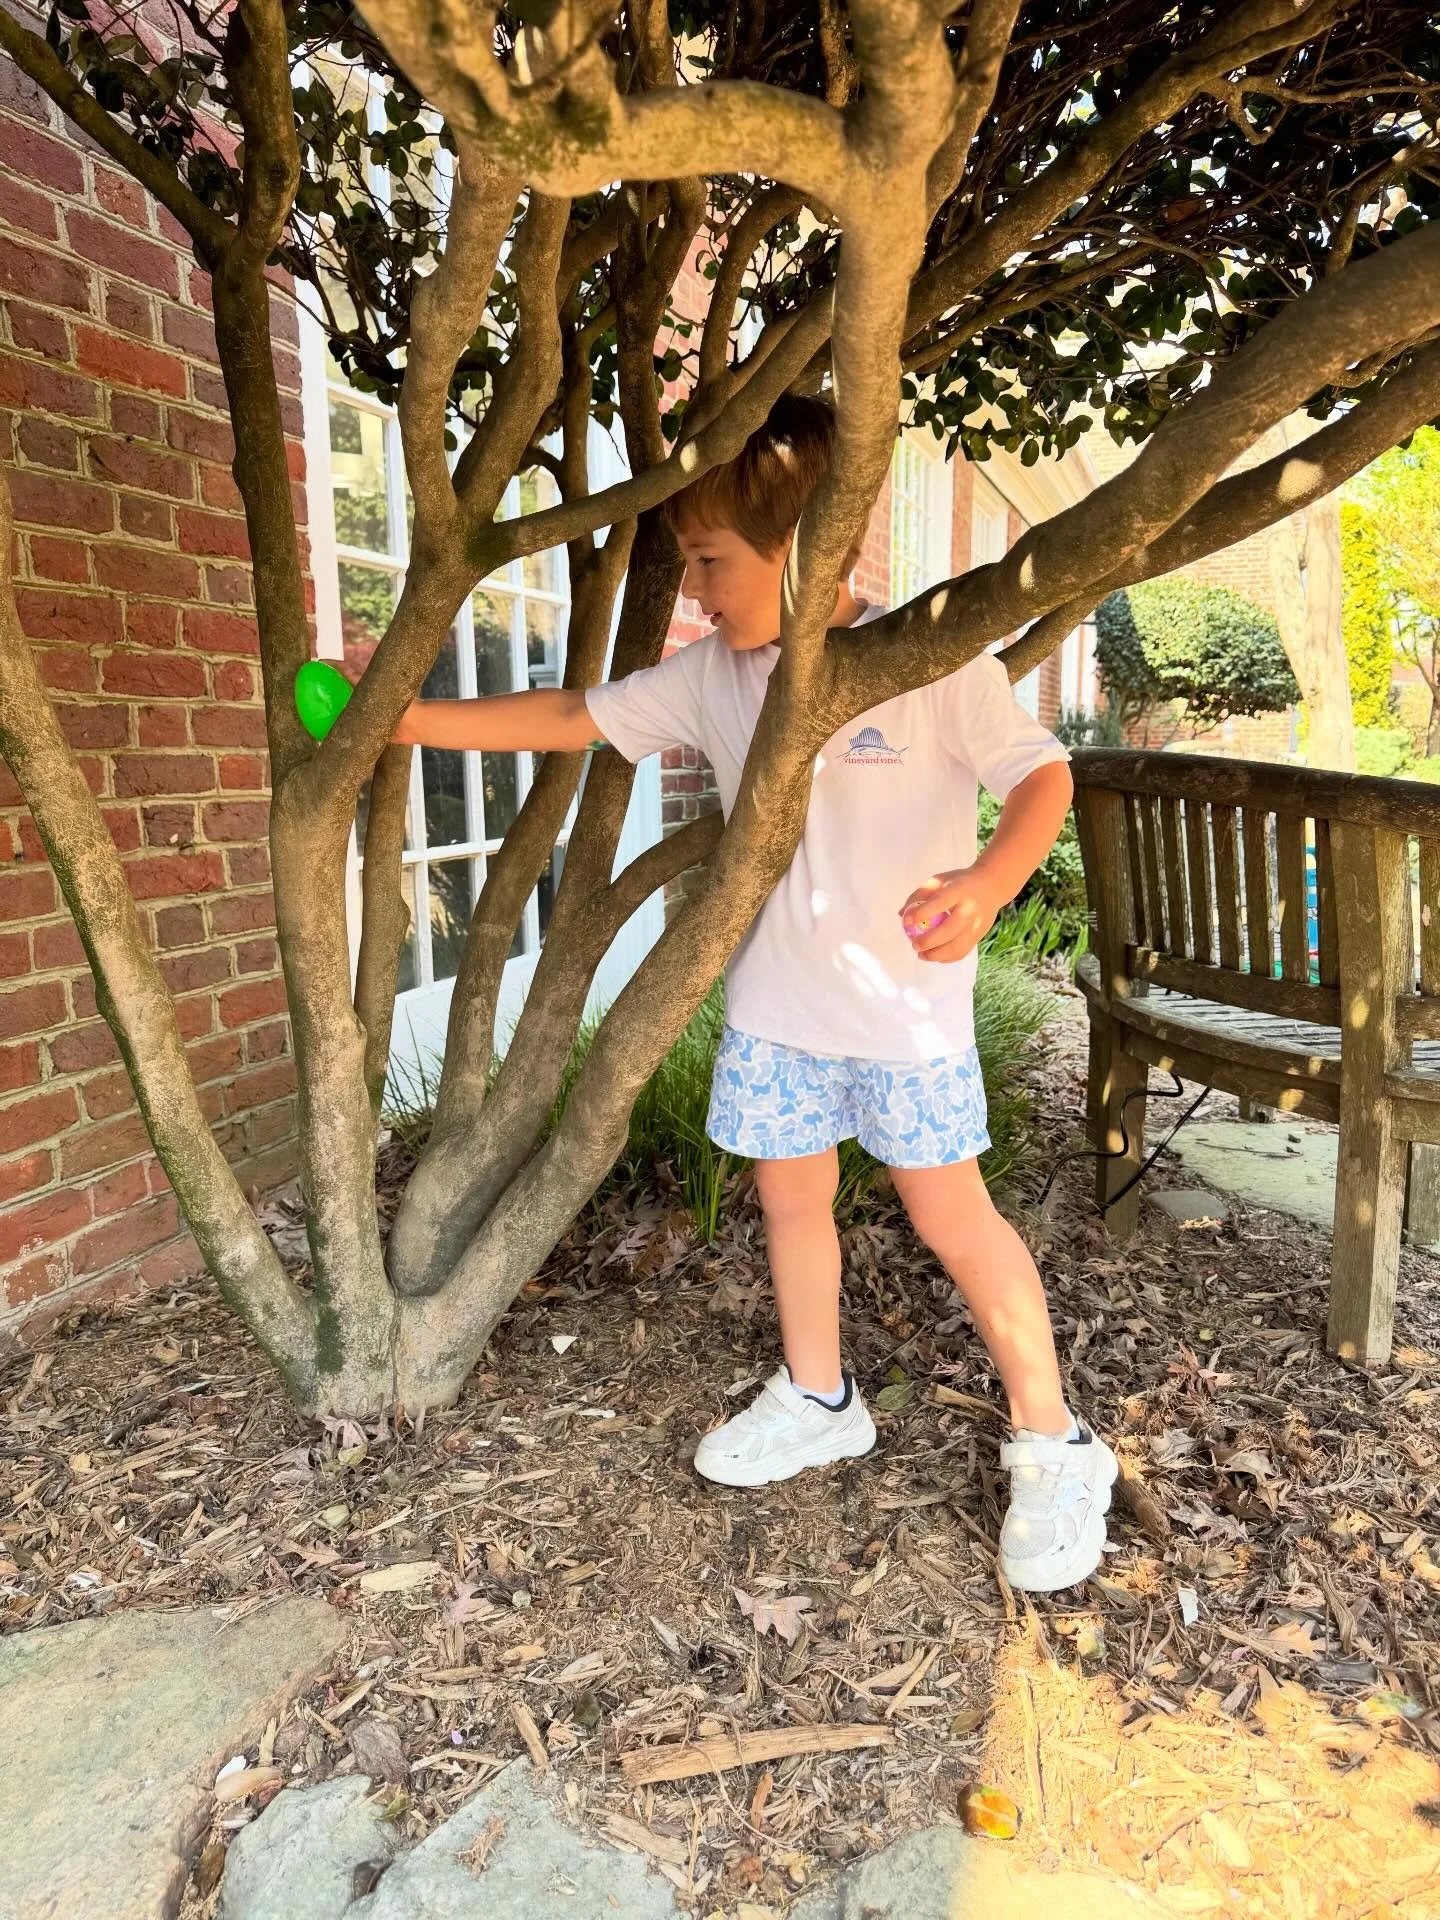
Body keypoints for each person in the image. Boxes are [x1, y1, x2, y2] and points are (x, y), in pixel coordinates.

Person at [390, 396, 1117, 1593]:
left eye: (714, 563)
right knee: (791, 1204)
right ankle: (821, 1394)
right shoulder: (715, 679)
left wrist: (990, 883)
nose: (697, 591)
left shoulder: (925, 662)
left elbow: (1043, 775)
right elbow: (576, 715)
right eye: (688, 565)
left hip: (903, 1019)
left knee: (953, 1218)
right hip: (780, 1012)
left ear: (813, 546)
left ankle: (1056, 1439)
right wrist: (406, 719)